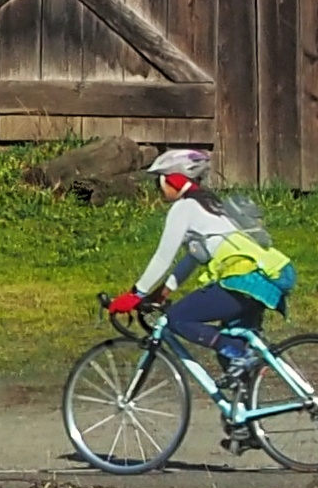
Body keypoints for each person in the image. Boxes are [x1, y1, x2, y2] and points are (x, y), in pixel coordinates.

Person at [106, 147, 292, 367]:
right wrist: (161, 294)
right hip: (270, 276)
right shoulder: (212, 206)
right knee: (233, 363)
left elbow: (163, 257)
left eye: (159, 182)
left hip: (243, 280)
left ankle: (240, 353)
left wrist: (136, 294)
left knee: (178, 319)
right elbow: (192, 259)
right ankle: (246, 395)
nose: (158, 189)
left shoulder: (184, 208)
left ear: (173, 180)